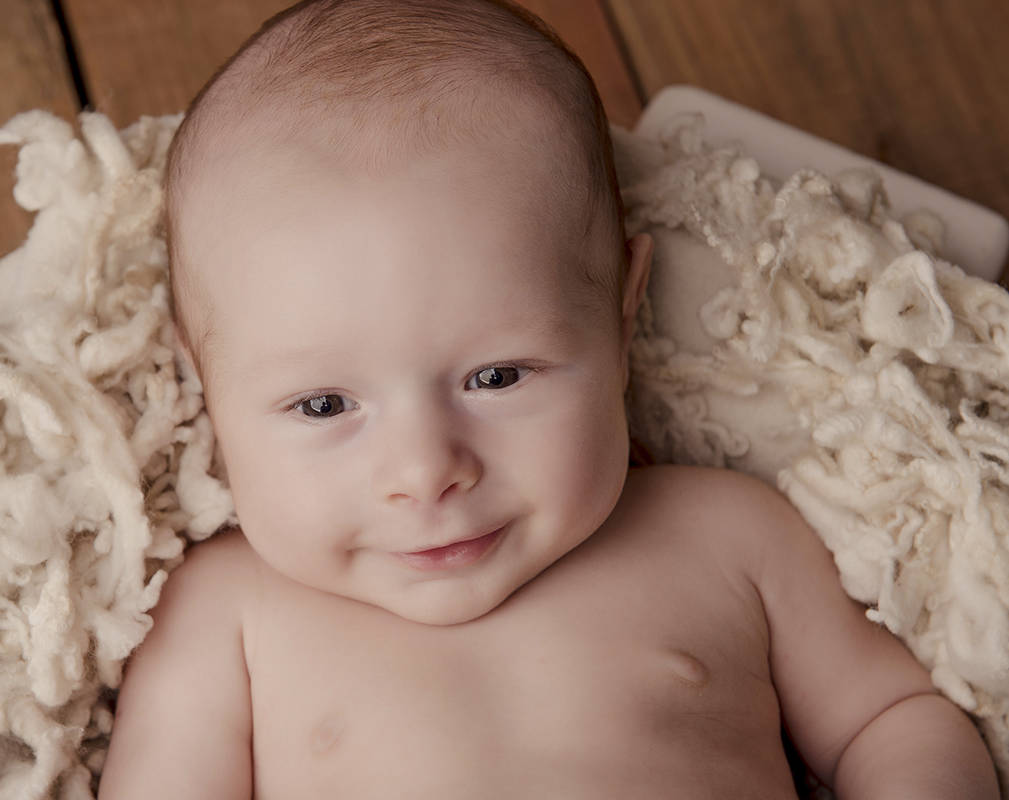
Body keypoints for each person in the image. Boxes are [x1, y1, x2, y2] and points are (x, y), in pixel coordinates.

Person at [97, 1, 999, 797]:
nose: (424, 472)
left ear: (618, 315)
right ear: (202, 380)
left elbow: (893, 721)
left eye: (496, 377)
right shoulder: (225, 614)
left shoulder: (728, 535)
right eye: (325, 405)